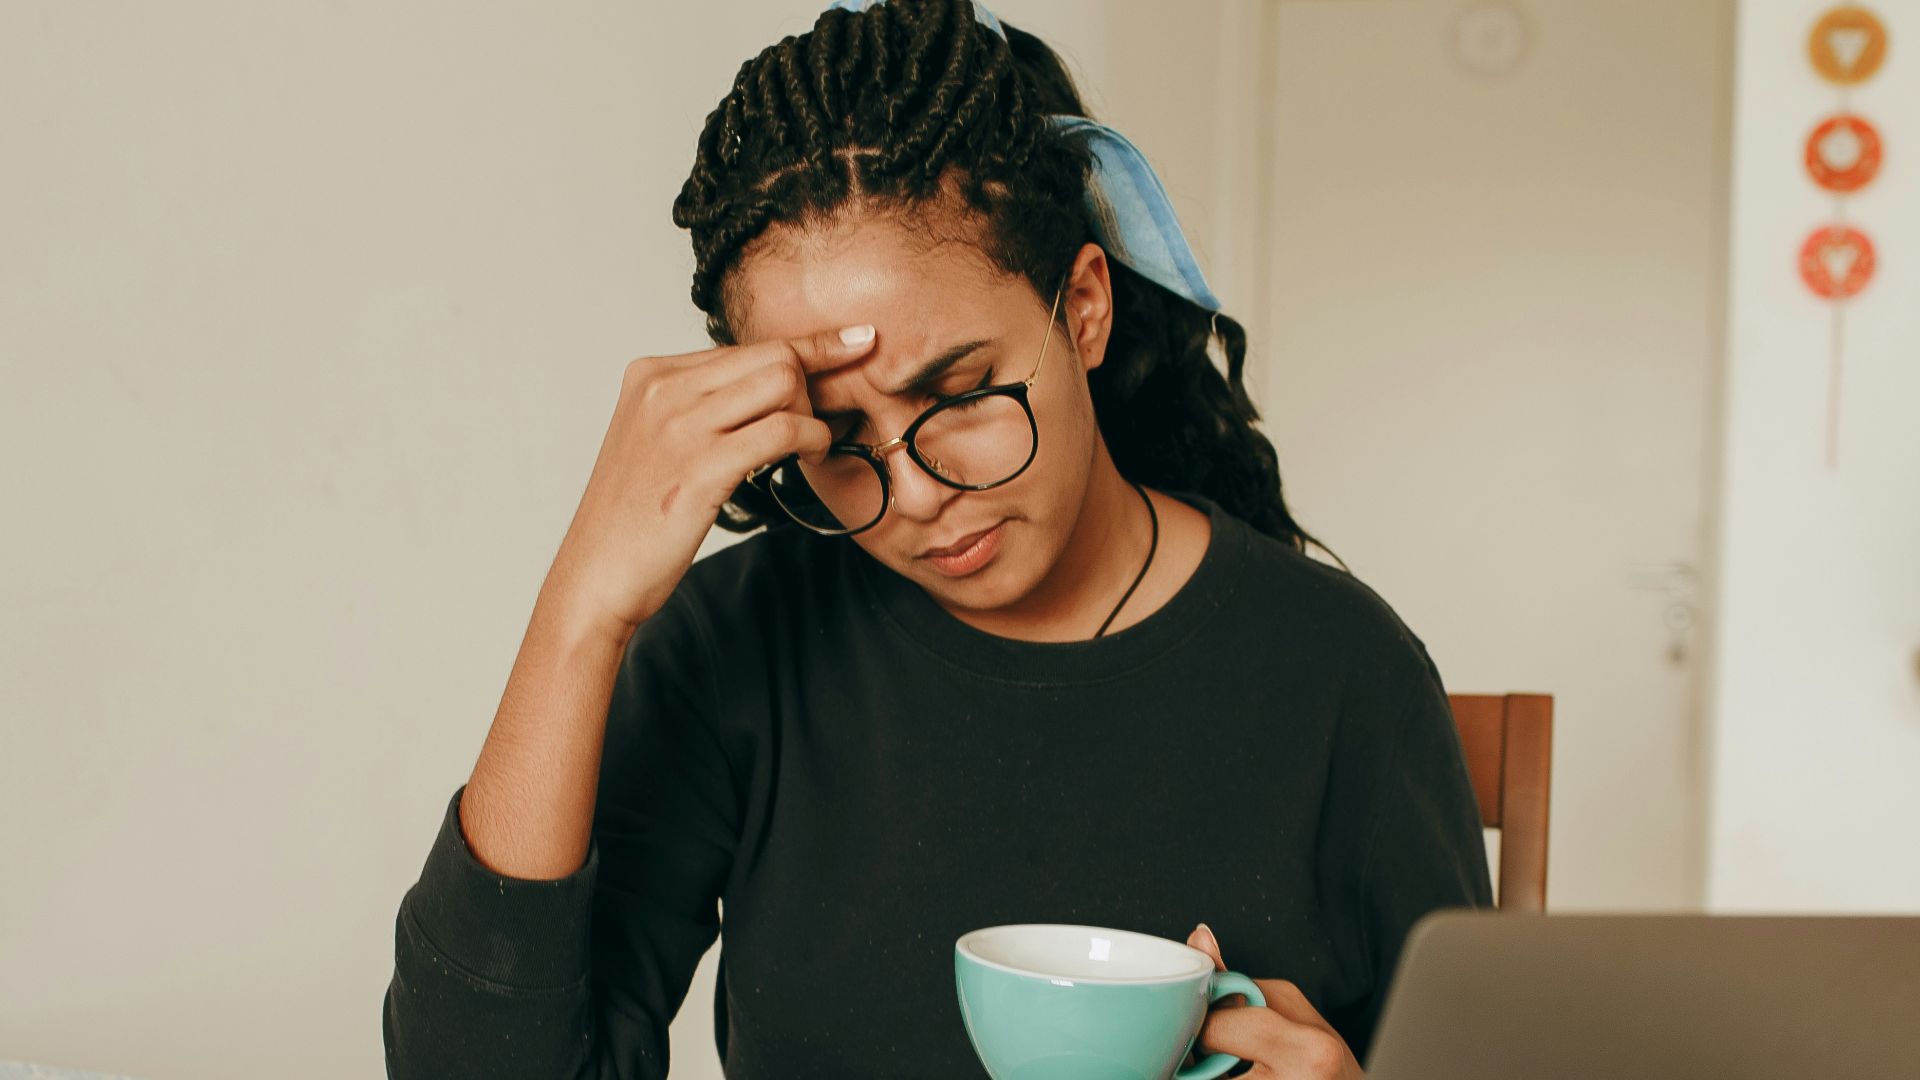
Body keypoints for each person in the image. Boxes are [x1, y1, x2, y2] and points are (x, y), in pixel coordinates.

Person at [381, 1, 1492, 1076]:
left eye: (959, 393)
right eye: (839, 431)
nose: (910, 494)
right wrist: (582, 608)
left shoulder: (1344, 678)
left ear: (1086, 306)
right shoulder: (735, 650)